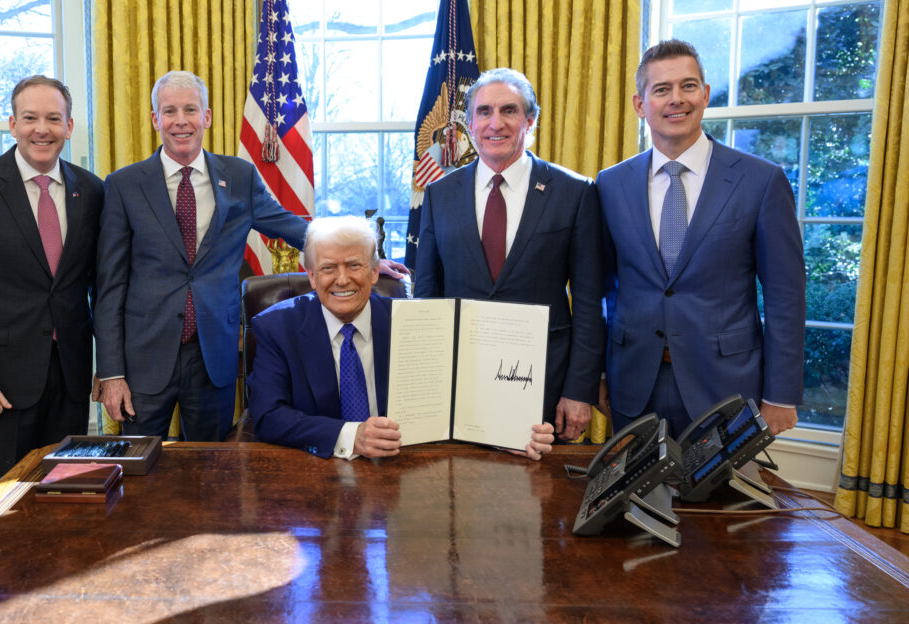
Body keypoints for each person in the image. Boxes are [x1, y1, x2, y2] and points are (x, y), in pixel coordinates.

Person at [95, 71, 408, 442]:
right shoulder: (123, 184)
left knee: (213, 475)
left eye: (191, 110)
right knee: (138, 470)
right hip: (144, 358)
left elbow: (288, 225)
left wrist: (361, 256)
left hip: (214, 355)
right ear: (155, 119)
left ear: (207, 117)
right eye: (170, 111)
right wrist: (111, 373)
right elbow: (109, 286)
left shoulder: (238, 175)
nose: (181, 121)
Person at [597, 40, 805, 437]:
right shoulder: (610, 184)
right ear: (640, 105)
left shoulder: (761, 182)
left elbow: (785, 297)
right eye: (661, 89)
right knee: (639, 500)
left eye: (688, 86)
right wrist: (599, 374)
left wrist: (781, 395)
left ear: (706, 95)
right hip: (634, 384)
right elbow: (600, 289)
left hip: (726, 387)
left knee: (724, 499)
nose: (677, 99)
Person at [248, 216, 555, 460]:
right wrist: (350, 435)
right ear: (312, 277)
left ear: (373, 272)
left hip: (403, 470)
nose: (342, 279)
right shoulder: (276, 328)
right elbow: (268, 417)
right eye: (328, 268)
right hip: (314, 477)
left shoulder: (416, 324)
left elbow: (453, 404)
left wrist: (504, 436)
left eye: (354, 265)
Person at [0, 75, 106, 487]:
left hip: (71, 376)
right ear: (12, 124)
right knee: (9, 500)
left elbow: (103, 285)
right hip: (1, 382)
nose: (41, 129)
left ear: (69, 126)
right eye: (30, 118)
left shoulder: (93, 191)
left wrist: (109, 364)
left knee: (68, 491)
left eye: (53, 118)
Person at [414, 68, 604, 442]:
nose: (495, 123)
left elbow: (588, 303)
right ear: (469, 123)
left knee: (540, 495)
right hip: (460, 381)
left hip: (544, 382)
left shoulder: (574, 193)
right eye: (484, 112)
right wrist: (428, 387)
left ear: (529, 120)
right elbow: (426, 297)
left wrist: (579, 391)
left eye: (509, 111)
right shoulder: (440, 194)